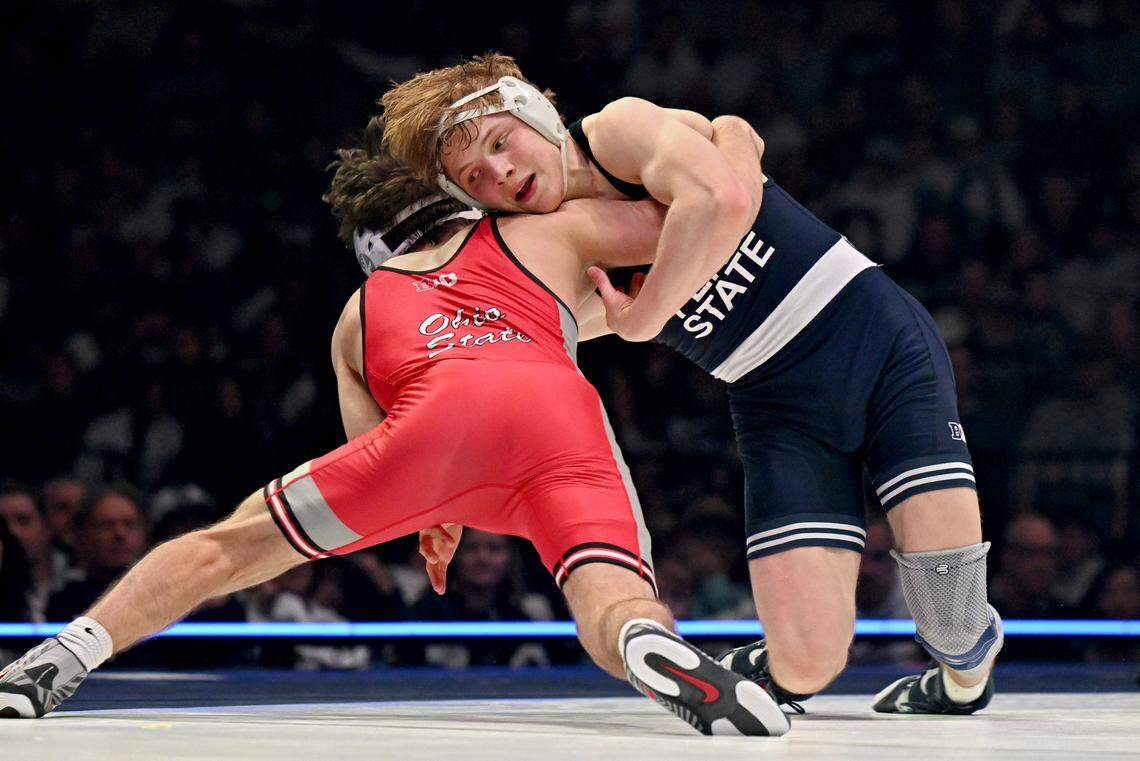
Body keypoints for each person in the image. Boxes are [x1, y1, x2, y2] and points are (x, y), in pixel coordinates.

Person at [0, 146, 788, 737]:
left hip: (428, 435)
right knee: (610, 594)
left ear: (373, 246)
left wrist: (432, 519)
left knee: (226, 547)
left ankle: (59, 658)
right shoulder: (545, 232)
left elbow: (377, 446)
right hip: (553, 414)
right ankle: (646, 640)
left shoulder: (358, 309)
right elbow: (703, 209)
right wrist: (702, 144)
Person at [381, 52, 1003, 715]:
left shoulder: (614, 134)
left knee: (954, 627)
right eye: (476, 175)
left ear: (533, 109)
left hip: (874, 342)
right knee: (806, 663)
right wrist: (438, 481)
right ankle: (761, 669)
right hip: (776, 405)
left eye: (502, 143)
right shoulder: (543, 244)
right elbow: (507, 354)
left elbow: (725, 196)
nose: (502, 172)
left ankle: (963, 672)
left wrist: (644, 316)